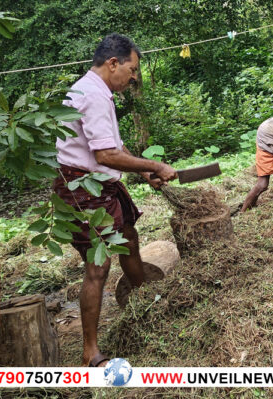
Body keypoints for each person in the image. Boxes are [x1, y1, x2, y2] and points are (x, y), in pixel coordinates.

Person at [52, 33, 177, 367]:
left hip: (101, 184)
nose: (133, 77)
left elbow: (114, 148)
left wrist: (142, 172)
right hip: (84, 188)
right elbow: (106, 155)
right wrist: (156, 165)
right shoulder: (93, 95)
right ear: (113, 63)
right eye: (132, 69)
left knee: (130, 238)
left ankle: (144, 299)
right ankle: (90, 352)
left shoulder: (93, 90)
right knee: (98, 266)